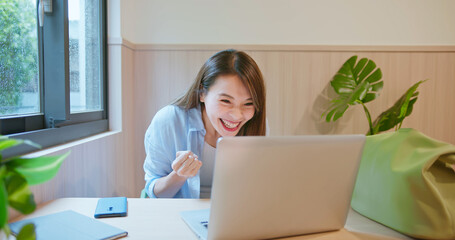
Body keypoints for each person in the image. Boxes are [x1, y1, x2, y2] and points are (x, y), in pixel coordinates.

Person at [143, 49, 266, 198]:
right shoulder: (168, 121)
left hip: (235, 216)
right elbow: (154, 193)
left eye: (248, 104)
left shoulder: (254, 126)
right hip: (179, 215)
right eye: (226, 101)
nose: (237, 115)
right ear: (202, 93)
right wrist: (179, 175)